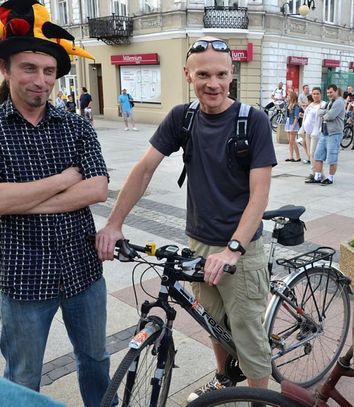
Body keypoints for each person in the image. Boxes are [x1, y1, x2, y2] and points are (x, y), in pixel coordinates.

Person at [95, 36, 277, 402]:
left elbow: (259, 194)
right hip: (198, 242)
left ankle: (261, 400)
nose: (213, 83)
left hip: (240, 249)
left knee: (248, 336)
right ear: (187, 74)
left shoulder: (253, 121)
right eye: (203, 74)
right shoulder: (184, 117)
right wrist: (114, 223)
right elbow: (144, 169)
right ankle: (224, 379)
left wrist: (233, 249)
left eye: (221, 74)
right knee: (211, 321)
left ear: (232, 74)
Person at [0, 2, 111, 406]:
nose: (41, 80)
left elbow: (97, 188)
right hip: (22, 279)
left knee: (96, 360)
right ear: (6, 69)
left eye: (48, 71)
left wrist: (20, 200)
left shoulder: (76, 126)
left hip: (83, 271)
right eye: (29, 68)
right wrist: (63, 180)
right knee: (23, 374)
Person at [305, 84, 345, 185]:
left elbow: (330, 116)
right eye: (327, 92)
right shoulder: (330, 102)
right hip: (324, 133)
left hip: (334, 134)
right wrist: (325, 113)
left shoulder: (339, 102)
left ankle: (330, 178)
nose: (329, 94)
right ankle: (317, 177)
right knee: (317, 156)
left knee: (332, 158)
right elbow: (319, 112)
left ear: (336, 91)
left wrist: (325, 113)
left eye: (331, 92)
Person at [303, 88, 326, 181]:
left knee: (314, 153)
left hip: (316, 133)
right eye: (314, 94)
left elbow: (324, 117)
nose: (315, 95)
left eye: (317, 94)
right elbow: (306, 116)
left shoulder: (323, 104)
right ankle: (314, 172)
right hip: (308, 132)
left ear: (321, 94)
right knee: (310, 154)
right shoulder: (311, 104)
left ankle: (319, 173)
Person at [284, 89, 302, 162]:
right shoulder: (288, 104)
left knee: (293, 141)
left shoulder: (296, 106)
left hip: (293, 124)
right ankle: (291, 156)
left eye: (288, 96)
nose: (287, 97)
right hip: (288, 122)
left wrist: (292, 127)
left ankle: (298, 156)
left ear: (292, 97)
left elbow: (296, 117)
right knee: (290, 141)